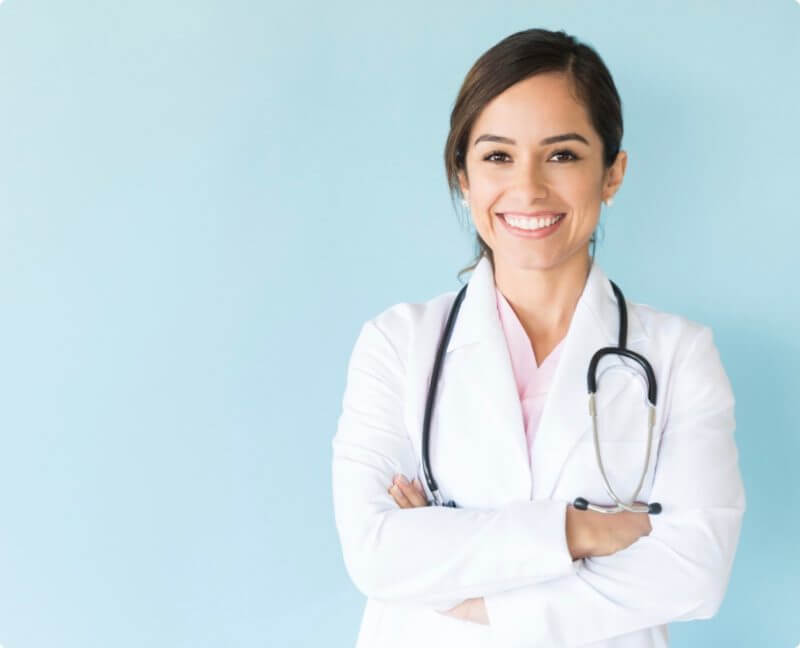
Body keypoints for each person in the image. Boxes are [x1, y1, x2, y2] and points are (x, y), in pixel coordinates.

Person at [331, 28, 745, 648]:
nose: (528, 188)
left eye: (563, 154)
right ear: (462, 176)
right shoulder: (396, 345)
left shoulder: (680, 354)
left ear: (612, 173)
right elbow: (375, 551)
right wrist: (577, 531)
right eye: (498, 156)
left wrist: (464, 590)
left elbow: (695, 572)